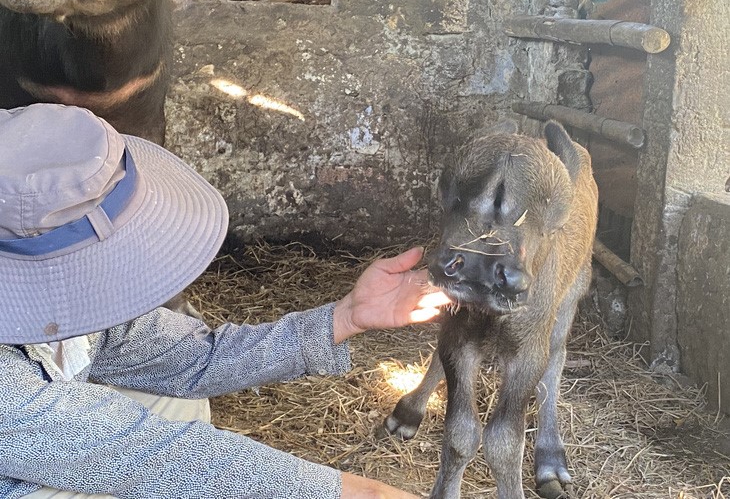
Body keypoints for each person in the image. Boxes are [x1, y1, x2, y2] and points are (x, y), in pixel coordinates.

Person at [0, 104, 449, 499]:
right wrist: (351, 492)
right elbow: (154, 457)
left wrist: (343, 317)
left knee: (175, 401)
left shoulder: (78, 295)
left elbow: (190, 360)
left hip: (48, 430)